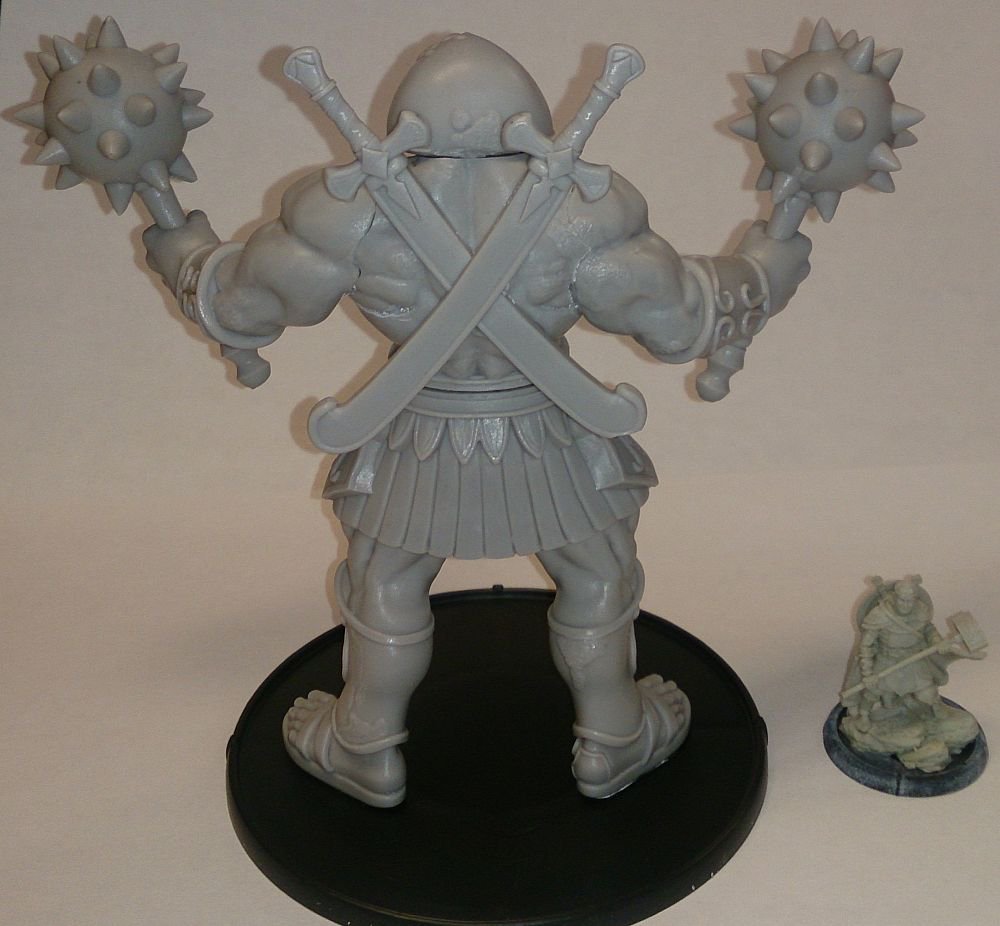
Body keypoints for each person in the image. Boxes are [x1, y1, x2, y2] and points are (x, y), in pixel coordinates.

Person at [144, 34, 811, 806]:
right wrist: (767, 263)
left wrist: (179, 243)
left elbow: (238, 306)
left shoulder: (344, 213)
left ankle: (362, 744)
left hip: (419, 432)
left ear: (405, 122)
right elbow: (685, 320)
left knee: (386, 581)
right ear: (530, 119)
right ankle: (616, 734)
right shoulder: (586, 212)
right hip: (547, 428)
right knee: (597, 573)